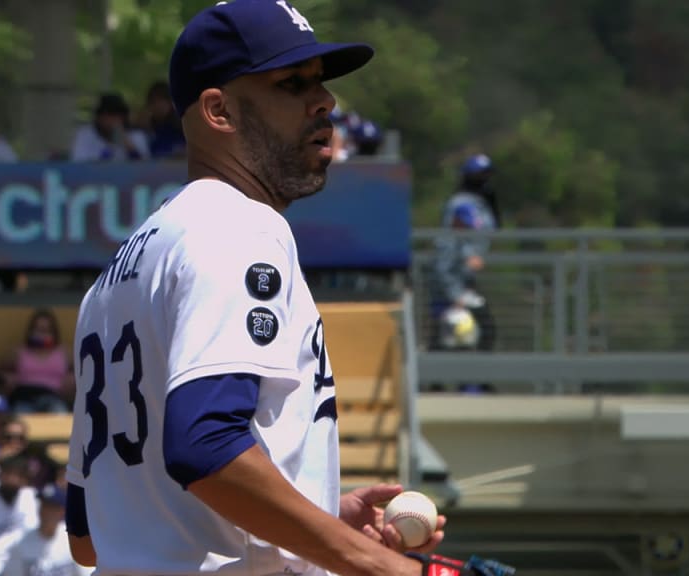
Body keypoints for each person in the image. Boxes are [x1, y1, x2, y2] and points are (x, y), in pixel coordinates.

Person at [64, 2, 453, 576]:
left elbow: (88, 534)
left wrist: (317, 517)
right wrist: (383, 566)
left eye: (319, 83)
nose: (325, 102)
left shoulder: (118, 273)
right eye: (292, 84)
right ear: (219, 110)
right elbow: (205, 446)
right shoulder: (238, 227)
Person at [431, 154, 500, 354]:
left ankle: (471, 384)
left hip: (465, 283)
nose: (484, 181)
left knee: (460, 337)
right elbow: (452, 245)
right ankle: (457, 383)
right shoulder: (460, 204)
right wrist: (455, 293)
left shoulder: (481, 203)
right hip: (452, 283)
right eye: (479, 176)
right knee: (457, 336)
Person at [3, 484, 92, 576]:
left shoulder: (72, 539)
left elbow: (85, 573)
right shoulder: (21, 543)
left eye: (51, 508)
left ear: (62, 511)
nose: (45, 512)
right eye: (44, 505)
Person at [2, 309, 73, 413]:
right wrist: (8, 378)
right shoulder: (19, 352)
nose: (42, 334)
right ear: (31, 331)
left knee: (60, 415)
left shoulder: (64, 352)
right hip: (25, 398)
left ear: (54, 332)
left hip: (54, 397)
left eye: (46, 330)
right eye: (39, 330)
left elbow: (83, 371)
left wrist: (72, 377)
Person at [70, 93, 150, 162]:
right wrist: (111, 147)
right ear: (99, 117)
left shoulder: (136, 136)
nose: (112, 120)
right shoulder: (85, 135)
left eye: (116, 115)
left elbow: (145, 168)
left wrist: (129, 147)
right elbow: (80, 167)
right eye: (107, 115)